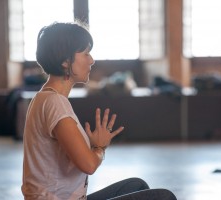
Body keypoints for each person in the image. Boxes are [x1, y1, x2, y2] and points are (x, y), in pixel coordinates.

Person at [21, 21, 177, 200]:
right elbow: (88, 165)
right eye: (86, 53)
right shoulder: (54, 102)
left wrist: (92, 145)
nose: (92, 60)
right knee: (164, 197)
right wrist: (99, 148)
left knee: (136, 185)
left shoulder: (44, 98)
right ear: (65, 61)